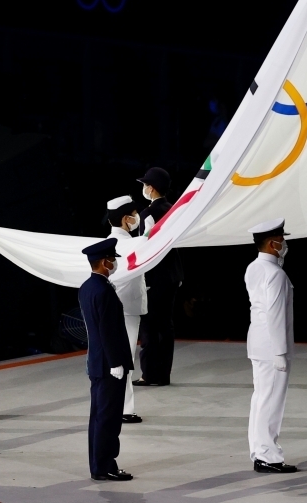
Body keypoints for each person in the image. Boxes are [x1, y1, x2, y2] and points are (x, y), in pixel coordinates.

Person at [79, 238, 135, 481]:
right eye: (112, 260)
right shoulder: (104, 291)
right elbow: (108, 330)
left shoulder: (87, 287)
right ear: (104, 262)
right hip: (108, 364)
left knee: (99, 417)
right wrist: (116, 362)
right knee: (109, 419)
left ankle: (98, 464)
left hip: (97, 362)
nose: (114, 264)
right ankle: (105, 466)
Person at [245, 218, 297, 474]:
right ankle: (268, 456)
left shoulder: (254, 267)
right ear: (272, 243)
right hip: (272, 347)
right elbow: (275, 313)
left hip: (258, 342)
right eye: (281, 239)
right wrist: (280, 351)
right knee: (271, 401)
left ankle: (259, 450)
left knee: (260, 399)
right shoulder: (276, 274)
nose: (284, 243)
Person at [133, 167, 183, 386]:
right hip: (172, 274)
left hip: (155, 277)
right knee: (166, 325)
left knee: (149, 327)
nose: (144, 188)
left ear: (151, 188)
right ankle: (164, 374)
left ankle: (149, 374)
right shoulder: (174, 210)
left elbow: (146, 247)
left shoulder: (148, 214)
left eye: (145, 185)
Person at [105, 195, 148, 424]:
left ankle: (121, 407)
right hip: (126, 307)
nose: (136, 218)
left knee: (119, 360)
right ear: (125, 218)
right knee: (124, 361)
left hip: (120, 307)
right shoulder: (128, 243)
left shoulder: (113, 242)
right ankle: (123, 409)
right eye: (133, 215)